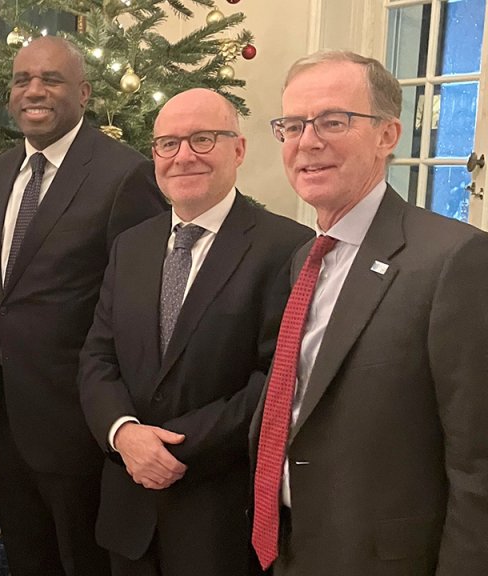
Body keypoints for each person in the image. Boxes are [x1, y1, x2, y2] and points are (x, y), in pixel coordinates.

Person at [249, 50, 488, 575]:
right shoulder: (304, 260)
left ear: (388, 135)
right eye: (293, 124)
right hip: (292, 549)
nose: (307, 141)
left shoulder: (454, 260)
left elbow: (479, 466)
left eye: (333, 121)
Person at [79, 88, 311, 576]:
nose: (183, 156)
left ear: (239, 150)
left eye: (202, 139)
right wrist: (125, 436)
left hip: (219, 511)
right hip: (129, 507)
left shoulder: (286, 247)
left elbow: (276, 379)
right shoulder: (130, 247)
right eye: (168, 144)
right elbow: (98, 359)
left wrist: (169, 447)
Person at [0, 35, 167, 576]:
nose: (33, 91)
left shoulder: (124, 173)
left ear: (83, 93)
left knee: (82, 562)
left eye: (50, 79)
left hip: (78, 423)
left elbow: (138, 307)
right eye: (22, 80)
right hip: (2, 415)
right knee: (26, 558)